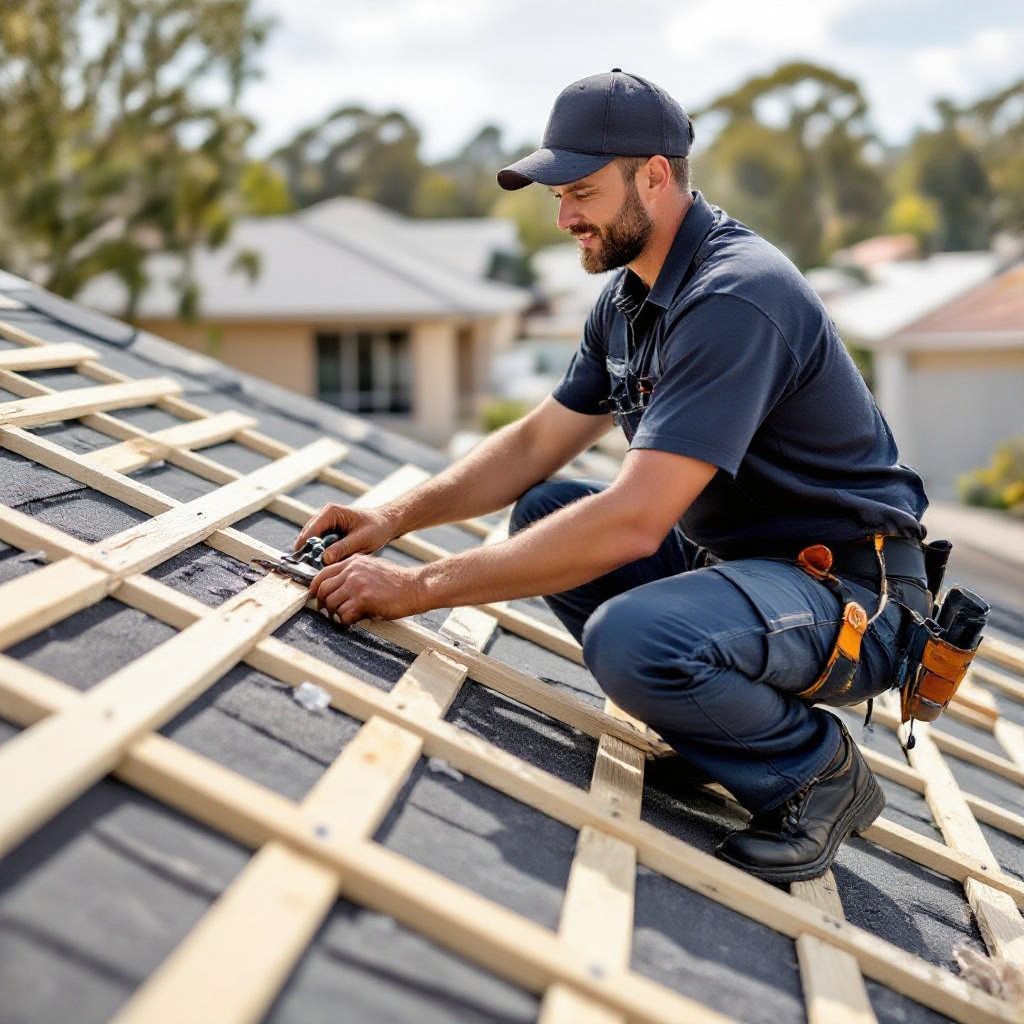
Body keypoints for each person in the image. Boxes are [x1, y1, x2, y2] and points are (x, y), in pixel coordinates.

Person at [295, 69, 932, 883]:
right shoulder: (632, 298)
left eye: (583, 193)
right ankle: (723, 731)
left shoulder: (737, 296)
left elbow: (634, 522)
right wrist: (395, 518)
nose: (565, 218)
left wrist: (417, 588)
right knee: (546, 509)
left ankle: (816, 770)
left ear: (655, 177)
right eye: (558, 196)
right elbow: (535, 442)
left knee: (631, 639)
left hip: (852, 598)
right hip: (747, 576)